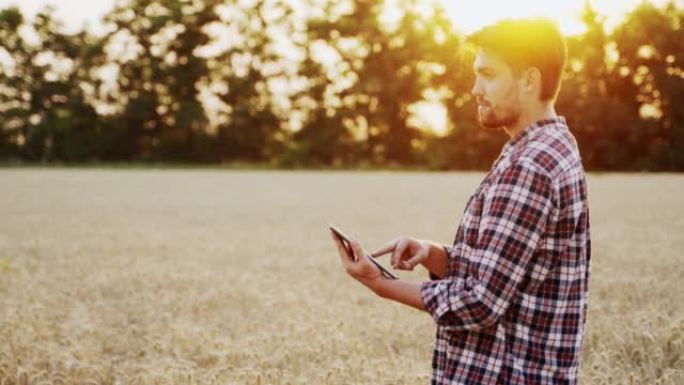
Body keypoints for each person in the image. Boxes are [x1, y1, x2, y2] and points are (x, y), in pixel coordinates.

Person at [331, 18, 591, 385]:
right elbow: (509, 271)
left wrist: (379, 284)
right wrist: (434, 254)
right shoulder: (552, 147)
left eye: (488, 74)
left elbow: (481, 302)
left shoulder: (530, 165)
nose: (475, 89)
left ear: (529, 80)